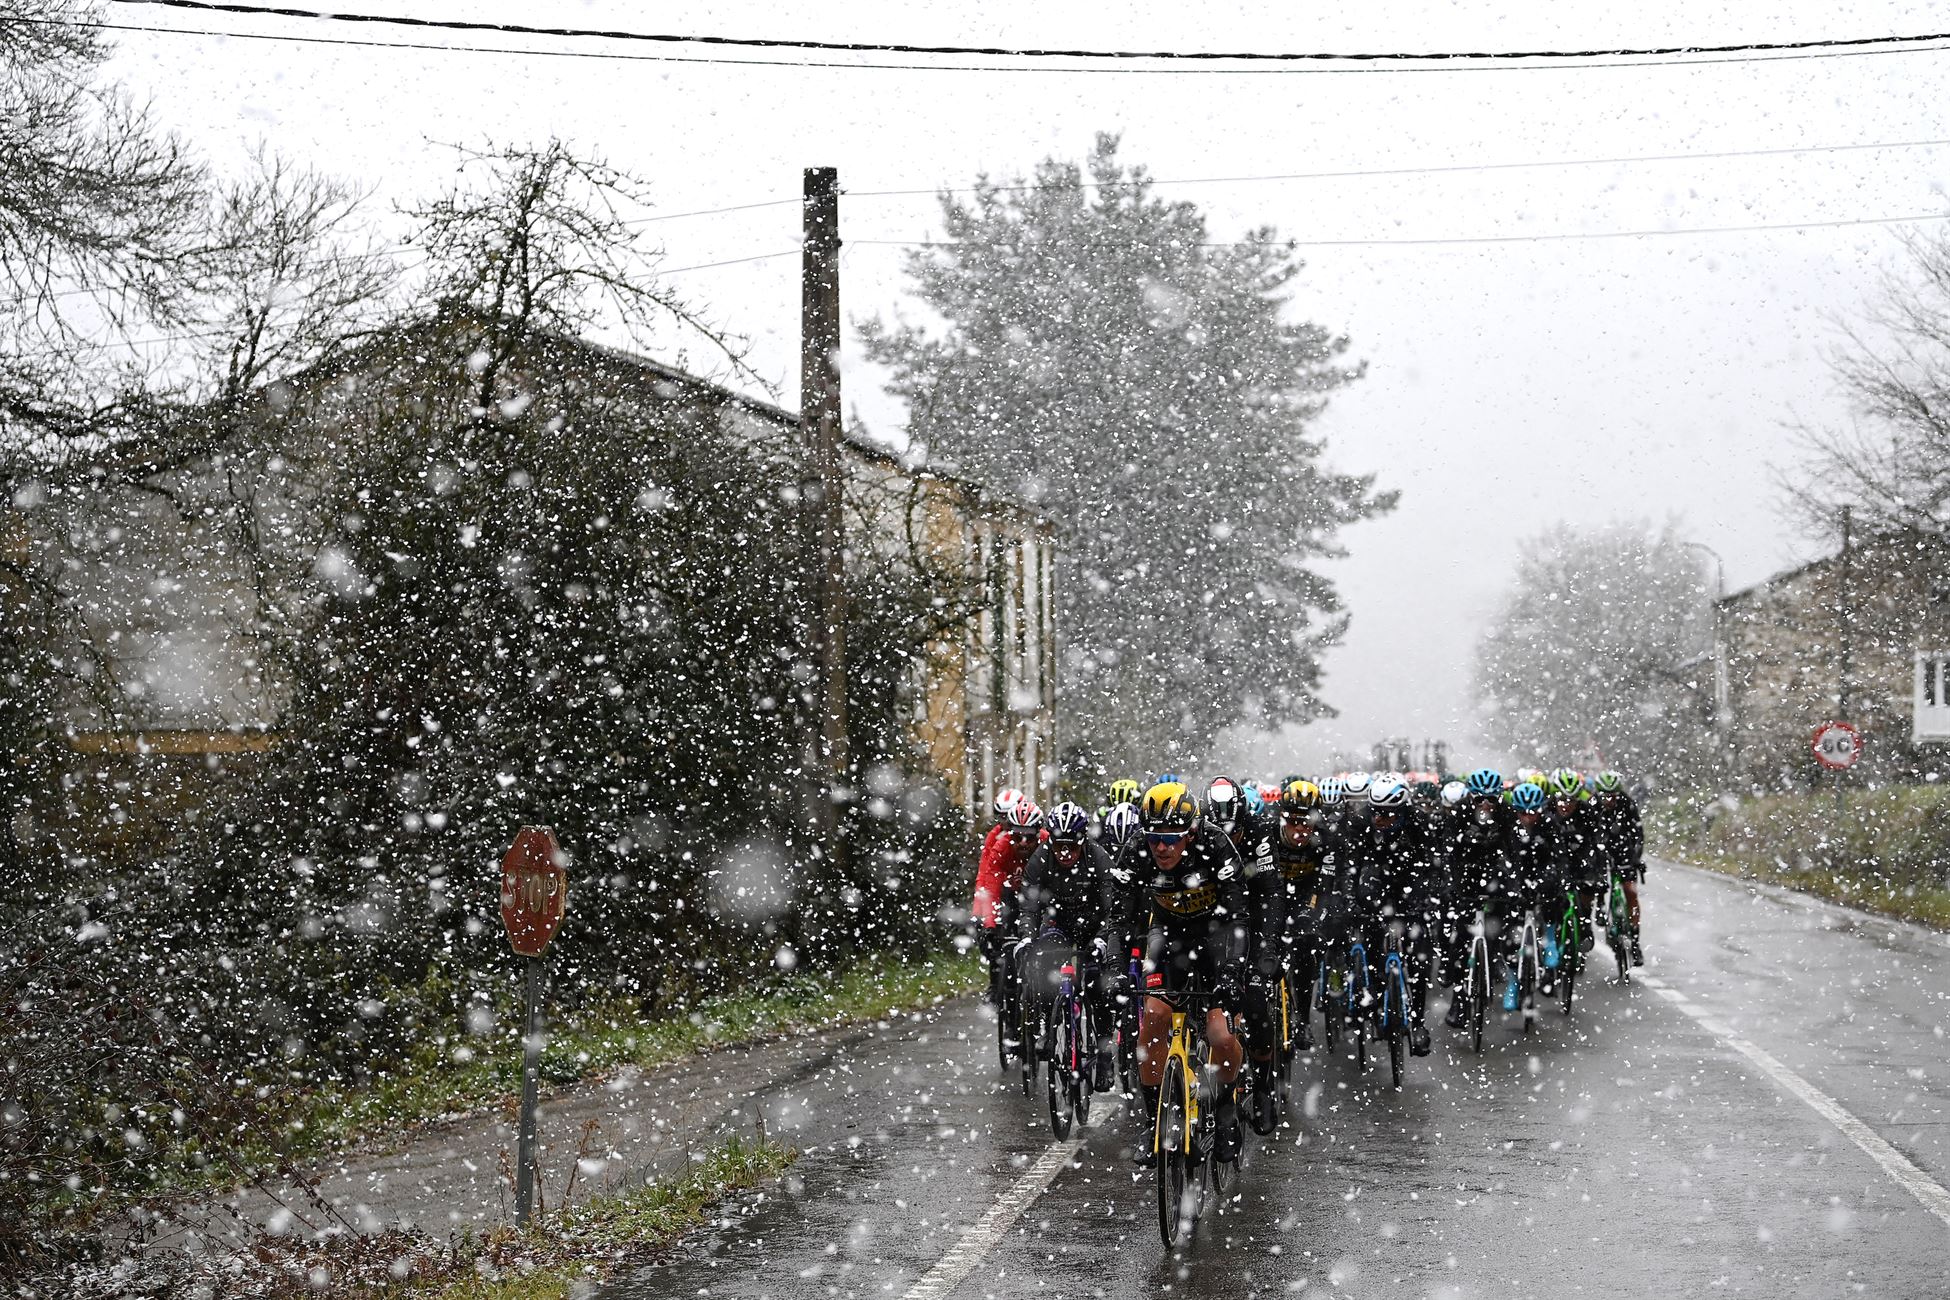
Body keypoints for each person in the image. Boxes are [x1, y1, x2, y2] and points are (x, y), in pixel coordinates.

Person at [1116, 781, 1250, 1166]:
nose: (1161, 848)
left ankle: (1225, 1110)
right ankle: (1152, 1121)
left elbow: (1239, 916)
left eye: (1171, 838)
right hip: (1168, 934)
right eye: (1155, 837)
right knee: (1154, 1019)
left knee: (1219, 1033)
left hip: (1215, 934)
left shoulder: (1217, 845)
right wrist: (1114, 967)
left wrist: (1233, 973)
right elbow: (1119, 918)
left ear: (1191, 832)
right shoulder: (1137, 850)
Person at [1019, 801, 1120, 1089]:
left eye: (1071, 847)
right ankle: (1048, 1028)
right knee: (1043, 961)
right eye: (1058, 846)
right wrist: (1027, 936)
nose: (1065, 853)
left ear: (1082, 841)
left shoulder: (1099, 858)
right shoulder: (1040, 859)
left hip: (1092, 925)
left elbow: (1113, 910)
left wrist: (1103, 937)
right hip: (1057, 923)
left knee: (1097, 982)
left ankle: (1103, 1056)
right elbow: (1029, 906)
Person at [1341, 776, 1437, 1056]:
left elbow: (1433, 866)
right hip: (1375, 884)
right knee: (1372, 948)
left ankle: (1418, 1022)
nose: (1380, 818)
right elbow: (1351, 866)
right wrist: (1350, 900)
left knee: (1420, 956)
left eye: (1387, 813)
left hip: (1410, 885)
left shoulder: (1419, 822)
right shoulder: (1360, 823)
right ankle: (1372, 1003)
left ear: (1402, 811)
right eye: (1376, 811)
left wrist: (1430, 898)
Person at [1207, 775, 1282, 1127]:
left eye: (1233, 834)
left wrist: (1267, 947)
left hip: (1253, 915)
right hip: (1216, 919)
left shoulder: (1260, 831)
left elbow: (1270, 894)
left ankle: (1265, 1086)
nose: (1228, 843)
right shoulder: (1203, 835)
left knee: (1254, 1000)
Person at [1441, 768, 1512, 1028]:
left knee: (1500, 918)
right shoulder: (1458, 813)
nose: (1485, 805)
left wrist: (1514, 884)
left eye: (1491, 800)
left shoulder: (1506, 813)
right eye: (1479, 799)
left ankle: (1495, 956)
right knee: (1461, 936)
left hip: (1493, 870)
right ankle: (1459, 1000)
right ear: (1469, 798)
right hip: (1464, 872)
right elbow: (1448, 853)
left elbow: (1513, 850)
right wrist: (1451, 886)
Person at [972, 796, 1042, 1037]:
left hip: (1039, 900)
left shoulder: (1046, 844)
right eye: (1017, 836)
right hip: (1010, 898)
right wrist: (989, 924)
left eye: (1029, 837)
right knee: (1008, 958)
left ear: (1038, 833)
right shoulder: (1000, 844)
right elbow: (989, 886)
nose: (1023, 842)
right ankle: (1011, 1021)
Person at [1591, 770, 1646, 965]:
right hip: (1600, 847)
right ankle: (1599, 904)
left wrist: (1636, 856)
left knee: (1630, 892)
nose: (1609, 800)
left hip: (1623, 848)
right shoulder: (1592, 805)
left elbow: (1637, 832)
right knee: (1595, 880)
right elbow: (1588, 832)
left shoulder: (1627, 803)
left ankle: (1636, 941)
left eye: (1612, 796)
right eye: (1605, 796)